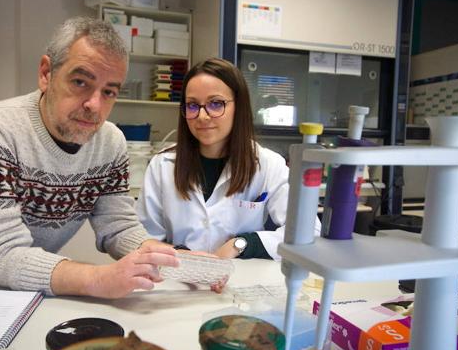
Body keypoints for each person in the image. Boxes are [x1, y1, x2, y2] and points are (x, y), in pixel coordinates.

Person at [0, 17, 178, 298]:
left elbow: (117, 224)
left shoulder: (111, 143)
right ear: (46, 73)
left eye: (109, 91)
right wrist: (97, 278)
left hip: (19, 274)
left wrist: (166, 258)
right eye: (80, 82)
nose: (94, 105)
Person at [136, 57, 321, 260]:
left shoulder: (268, 164)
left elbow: (308, 231)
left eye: (216, 104)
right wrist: (180, 255)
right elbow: (145, 236)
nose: (202, 116)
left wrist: (242, 244)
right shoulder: (162, 166)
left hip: (241, 279)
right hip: (178, 278)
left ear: (238, 106)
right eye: (192, 105)